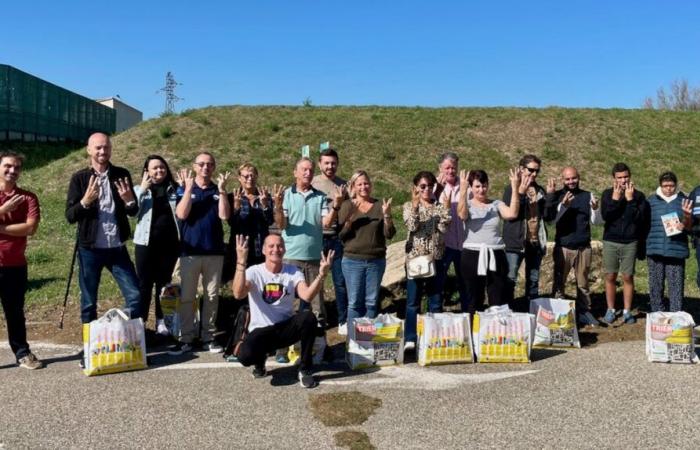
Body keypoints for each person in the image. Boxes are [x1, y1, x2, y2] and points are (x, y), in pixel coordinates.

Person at [65, 132, 141, 368]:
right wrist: (86, 201)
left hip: (117, 247)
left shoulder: (121, 175)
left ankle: (128, 340)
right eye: (97, 148)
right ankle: (90, 347)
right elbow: (70, 216)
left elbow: (132, 211)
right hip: (90, 249)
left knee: (136, 295)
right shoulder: (79, 179)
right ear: (89, 150)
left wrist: (129, 200)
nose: (102, 152)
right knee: (89, 301)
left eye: (106, 147)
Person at [232, 234, 334, 388]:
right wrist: (241, 262)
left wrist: (321, 274)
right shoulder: (254, 271)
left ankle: (305, 369)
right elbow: (238, 294)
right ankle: (260, 362)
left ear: (285, 250)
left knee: (308, 318)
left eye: (279, 246)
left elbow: (306, 296)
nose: (276, 249)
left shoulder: (292, 271)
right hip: (260, 331)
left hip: (284, 330)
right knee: (245, 357)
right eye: (271, 246)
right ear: (264, 250)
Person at [168, 152, 231, 355]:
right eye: (202, 164)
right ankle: (186, 338)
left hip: (214, 252)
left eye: (210, 164)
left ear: (213, 168)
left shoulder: (217, 190)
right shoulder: (184, 188)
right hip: (190, 251)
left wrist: (222, 192)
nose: (206, 167)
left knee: (212, 296)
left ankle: (208, 337)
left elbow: (224, 215)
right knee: (187, 296)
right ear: (195, 166)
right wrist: (187, 189)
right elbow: (181, 214)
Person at [273, 157, 340, 328]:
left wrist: (336, 207)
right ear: (295, 172)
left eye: (310, 170)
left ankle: (318, 346)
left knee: (317, 305)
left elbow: (326, 223)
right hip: (291, 257)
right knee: (288, 303)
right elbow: (281, 224)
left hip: (313, 258)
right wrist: (278, 207)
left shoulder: (320, 197)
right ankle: (287, 346)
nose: (308, 173)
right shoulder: (287, 194)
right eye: (304, 169)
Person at [458, 169, 530, 314]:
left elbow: (512, 214)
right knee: (474, 296)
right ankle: (474, 331)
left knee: (496, 295)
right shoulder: (467, 204)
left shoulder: (496, 204)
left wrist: (515, 188)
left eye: (484, 185)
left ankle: (494, 331)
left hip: (495, 253)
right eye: (477, 186)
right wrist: (463, 191)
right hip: (472, 255)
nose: (481, 190)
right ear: (471, 187)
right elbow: (462, 215)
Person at [0, 151, 43, 369]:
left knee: (15, 312)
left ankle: (22, 353)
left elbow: (30, 228)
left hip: (14, 265)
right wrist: (3, 210)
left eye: (17, 167)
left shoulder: (28, 197)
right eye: (8, 166)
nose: (12, 171)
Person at [338, 170, 396, 326]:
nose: (364, 187)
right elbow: (341, 236)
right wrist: (349, 221)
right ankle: (353, 343)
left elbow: (389, 234)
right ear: (354, 187)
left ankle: (367, 340)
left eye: (366, 183)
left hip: (375, 261)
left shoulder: (379, 206)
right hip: (352, 261)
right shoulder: (347, 205)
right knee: (355, 302)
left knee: (371, 301)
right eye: (360, 184)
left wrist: (387, 216)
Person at [546, 166, 602, 326]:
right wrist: (563, 206)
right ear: (563, 180)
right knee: (559, 283)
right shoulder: (557, 196)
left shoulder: (587, 195)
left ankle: (584, 311)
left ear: (579, 177)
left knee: (583, 283)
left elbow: (596, 222)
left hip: (584, 247)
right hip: (564, 247)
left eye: (574, 178)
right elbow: (551, 221)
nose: (571, 182)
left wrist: (595, 209)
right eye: (567, 179)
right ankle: (558, 314)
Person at [402, 171, 451, 350]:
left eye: (430, 186)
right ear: (415, 188)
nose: (427, 190)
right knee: (413, 301)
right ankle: (410, 338)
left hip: (436, 258)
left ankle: (434, 337)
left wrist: (445, 210)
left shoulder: (438, 206)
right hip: (416, 259)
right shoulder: (408, 205)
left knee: (435, 300)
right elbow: (412, 226)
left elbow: (444, 229)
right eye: (423, 186)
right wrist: (415, 206)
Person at [133, 155, 180, 335]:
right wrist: (143, 190)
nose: (159, 171)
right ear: (147, 171)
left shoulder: (174, 190)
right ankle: (141, 322)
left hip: (169, 244)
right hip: (145, 244)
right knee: (144, 284)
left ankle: (161, 321)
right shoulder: (139, 189)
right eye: (154, 168)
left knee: (163, 284)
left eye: (162, 167)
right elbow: (132, 212)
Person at [600, 163, 648, 325]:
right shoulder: (607, 194)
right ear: (614, 178)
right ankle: (611, 309)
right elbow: (606, 216)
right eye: (619, 177)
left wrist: (629, 200)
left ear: (630, 176)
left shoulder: (639, 196)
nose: (623, 180)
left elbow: (639, 219)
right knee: (610, 275)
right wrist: (615, 199)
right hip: (610, 240)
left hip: (630, 241)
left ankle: (627, 310)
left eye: (625, 176)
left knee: (627, 276)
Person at [502, 155, 548, 308]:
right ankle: (507, 310)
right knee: (510, 278)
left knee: (533, 279)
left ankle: (531, 311)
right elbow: (512, 215)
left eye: (537, 171)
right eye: (531, 170)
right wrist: (520, 193)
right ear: (521, 169)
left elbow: (547, 216)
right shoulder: (511, 189)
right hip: (515, 241)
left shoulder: (539, 190)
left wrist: (552, 196)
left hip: (534, 242)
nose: (534, 174)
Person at [311, 148, 349, 335]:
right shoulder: (312, 183)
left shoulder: (343, 185)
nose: (330, 166)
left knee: (340, 280)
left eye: (333, 163)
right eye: (326, 163)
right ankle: (318, 318)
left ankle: (343, 320)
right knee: (316, 280)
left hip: (336, 238)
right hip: (316, 237)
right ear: (320, 164)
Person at [646, 171, 692, 313]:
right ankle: (657, 315)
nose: (668, 189)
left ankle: (676, 316)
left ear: (676, 185)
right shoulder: (651, 201)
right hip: (655, 250)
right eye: (665, 185)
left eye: (671, 185)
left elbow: (690, 227)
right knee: (655, 286)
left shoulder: (683, 200)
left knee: (676, 287)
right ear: (660, 185)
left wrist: (685, 219)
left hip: (676, 250)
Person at [223, 163, 274, 284]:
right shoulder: (232, 197)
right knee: (241, 280)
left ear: (256, 177)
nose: (249, 179)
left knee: (260, 281)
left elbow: (270, 221)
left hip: (260, 247)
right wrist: (236, 207)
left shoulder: (265, 196)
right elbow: (232, 223)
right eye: (246, 176)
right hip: (241, 247)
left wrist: (265, 205)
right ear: (239, 178)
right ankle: (241, 302)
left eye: (252, 176)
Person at [434, 152, 470, 312]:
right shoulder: (434, 187)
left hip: (463, 242)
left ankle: (467, 316)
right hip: (444, 243)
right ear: (440, 168)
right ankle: (434, 315)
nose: (450, 171)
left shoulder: (466, 186)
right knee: (438, 282)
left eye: (453, 167)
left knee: (465, 283)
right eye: (447, 168)